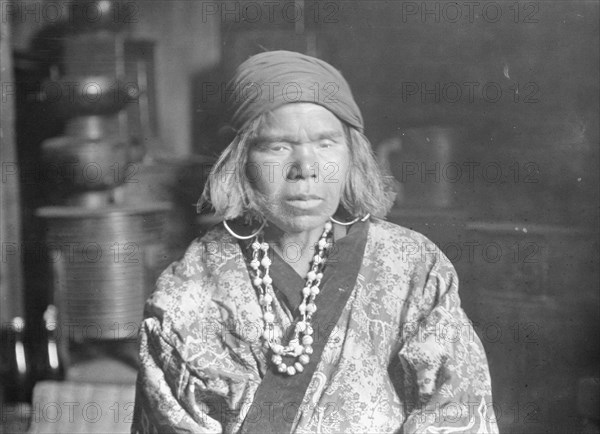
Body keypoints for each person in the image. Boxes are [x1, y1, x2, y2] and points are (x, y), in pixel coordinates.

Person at [131, 50, 498, 434]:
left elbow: (456, 408)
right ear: (239, 158)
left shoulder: (412, 266)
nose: (306, 168)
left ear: (352, 153)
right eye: (277, 146)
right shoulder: (190, 290)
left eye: (326, 143)